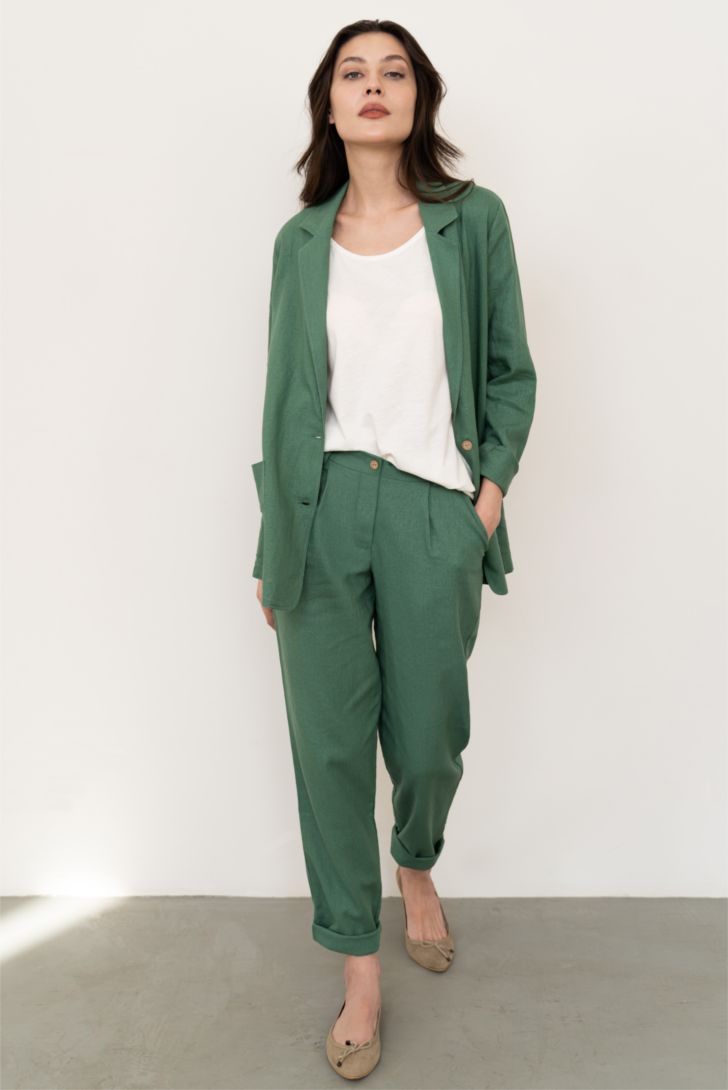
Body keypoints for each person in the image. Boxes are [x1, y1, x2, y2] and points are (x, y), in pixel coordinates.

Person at [250, 18, 537, 1080]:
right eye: (352, 73)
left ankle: (416, 860)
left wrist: (485, 499)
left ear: (420, 98)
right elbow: (284, 402)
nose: (373, 86)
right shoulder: (298, 242)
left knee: (426, 742)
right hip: (321, 508)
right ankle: (358, 966)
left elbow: (509, 370)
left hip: (432, 510)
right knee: (328, 751)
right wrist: (275, 544)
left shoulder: (473, 220)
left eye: (394, 71)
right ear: (328, 106)